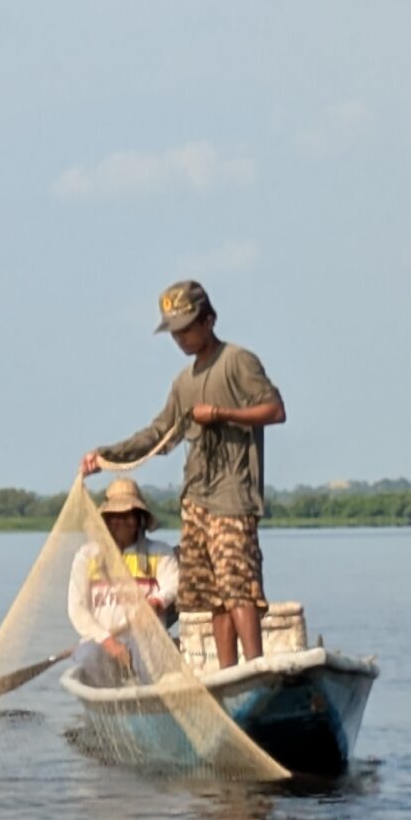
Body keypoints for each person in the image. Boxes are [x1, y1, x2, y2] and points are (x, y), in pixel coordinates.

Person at [81, 280, 285, 668]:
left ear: (209, 321)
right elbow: (158, 434)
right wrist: (105, 456)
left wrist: (221, 414)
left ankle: (255, 667)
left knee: (237, 586)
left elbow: (275, 410)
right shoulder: (183, 382)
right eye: (175, 333)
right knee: (209, 595)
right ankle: (227, 674)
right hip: (195, 500)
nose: (182, 339)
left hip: (232, 496)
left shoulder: (238, 361)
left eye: (187, 328)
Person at [67, 477, 180, 683]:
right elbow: (77, 609)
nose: (121, 522)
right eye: (114, 517)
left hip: (146, 639)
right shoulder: (87, 555)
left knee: (149, 655)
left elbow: (173, 584)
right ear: (106, 521)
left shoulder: (160, 552)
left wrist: (156, 602)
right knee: (87, 657)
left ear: (139, 520)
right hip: (101, 639)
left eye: (128, 516)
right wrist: (108, 642)